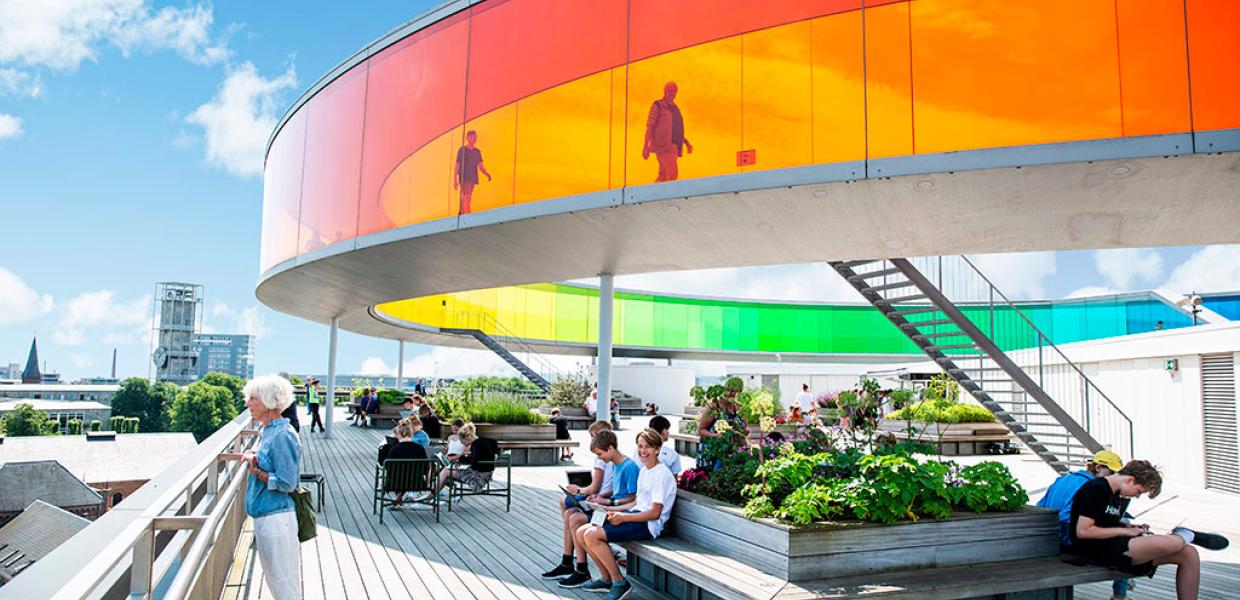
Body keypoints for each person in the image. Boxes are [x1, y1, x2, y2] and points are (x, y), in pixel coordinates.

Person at [1070, 460, 1229, 600]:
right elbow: (1083, 531)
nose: (1137, 496)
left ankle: (1184, 536)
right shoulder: (1097, 488)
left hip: (1113, 547)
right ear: (1130, 480)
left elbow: (1104, 520)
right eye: (1139, 491)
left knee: (1188, 553)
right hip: (1094, 550)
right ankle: (1185, 534)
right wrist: (1125, 532)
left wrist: (1128, 526)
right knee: (1170, 544)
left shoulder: (1115, 493)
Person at [575, 428, 678, 599]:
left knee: (592, 535)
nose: (642, 451)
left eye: (648, 447)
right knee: (581, 532)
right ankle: (606, 578)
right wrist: (610, 509)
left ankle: (619, 582)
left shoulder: (661, 475)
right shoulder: (645, 470)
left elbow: (654, 513)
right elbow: (636, 502)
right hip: (635, 515)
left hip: (648, 525)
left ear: (657, 449)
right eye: (640, 446)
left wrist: (624, 517)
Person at [1037, 450, 1132, 599]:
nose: (1114, 476)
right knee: (1126, 537)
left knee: (1123, 529)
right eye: (1112, 472)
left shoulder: (1063, 479)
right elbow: (1067, 517)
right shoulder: (1091, 487)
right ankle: (1120, 595)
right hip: (1068, 542)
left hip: (1048, 538)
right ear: (1098, 468)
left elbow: (1040, 507)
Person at [240, 375, 302, 600]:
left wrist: (256, 471)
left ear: (268, 402)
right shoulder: (268, 431)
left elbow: (288, 483)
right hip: (265, 515)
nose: (248, 404)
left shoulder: (282, 435)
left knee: (284, 582)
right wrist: (254, 456)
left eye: (253, 399)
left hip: (277, 517)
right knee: (276, 581)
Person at [556, 430, 640, 588]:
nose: (599, 458)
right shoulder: (616, 464)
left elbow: (632, 498)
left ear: (611, 448)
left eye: (600, 454)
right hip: (609, 507)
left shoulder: (629, 467)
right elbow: (616, 491)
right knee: (570, 513)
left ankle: (584, 571)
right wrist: (600, 497)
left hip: (620, 511)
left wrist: (608, 502)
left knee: (575, 519)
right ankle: (597, 574)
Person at [542, 421, 615, 581]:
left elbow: (595, 489)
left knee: (570, 512)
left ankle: (579, 567)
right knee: (570, 512)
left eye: (594, 437)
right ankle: (571, 561)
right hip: (602, 501)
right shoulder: (610, 458)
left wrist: (579, 490)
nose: (592, 442)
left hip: (604, 505)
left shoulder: (603, 459)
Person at [429, 423, 498, 498]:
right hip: (482, 472)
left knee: (446, 471)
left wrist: (461, 459)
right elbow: (475, 459)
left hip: (479, 476)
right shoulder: (480, 442)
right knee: (447, 471)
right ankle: (434, 494)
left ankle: (432, 494)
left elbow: (474, 461)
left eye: (462, 441)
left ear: (467, 437)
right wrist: (462, 461)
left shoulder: (476, 444)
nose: (462, 443)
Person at [643, 81, 693, 183]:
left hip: (674, 148)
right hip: (663, 146)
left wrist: (687, 143)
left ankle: (653, 195)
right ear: (665, 91)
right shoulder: (657, 105)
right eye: (670, 90)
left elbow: (677, 131)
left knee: (663, 176)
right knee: (672, 173)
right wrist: (645, 146)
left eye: (674, 91)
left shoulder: (676, 109)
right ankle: (664, 196)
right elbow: (650, 126)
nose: (672, 93)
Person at [697, 392, 748, 469]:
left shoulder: (740, 408)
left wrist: (743, 432)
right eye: (729, 390)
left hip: (734, 452)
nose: (732, 393)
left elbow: (744, 431)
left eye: (735, 391)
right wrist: (716, 435)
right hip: (714, 452)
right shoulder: (714, 407)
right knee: (715, 476)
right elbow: (701, 430)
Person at [454, 130, 492, 215]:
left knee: (467, 196)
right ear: (467, 138)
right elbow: (457, 165)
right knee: (466, 195)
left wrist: (486, 174)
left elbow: (480, 165)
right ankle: (467, 214)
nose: (474, 139)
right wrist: (455, 180)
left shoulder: (477, 151)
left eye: (475, 137)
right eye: (472, 137)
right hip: (465, 176)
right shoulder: (462, 150)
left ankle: (463, 212)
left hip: (473, 177)